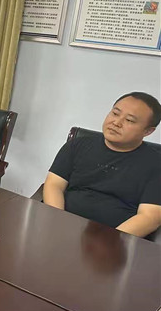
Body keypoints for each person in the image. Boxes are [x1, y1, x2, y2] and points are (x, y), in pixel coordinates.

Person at [43, 92, 161, 238]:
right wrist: (58, 221)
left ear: (148, 131)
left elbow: (150, 217)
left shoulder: (156, 164)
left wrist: (110, 240)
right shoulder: (78, 145)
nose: (116, 122)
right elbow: (54, 184)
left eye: (129, 120)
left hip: (115, 239)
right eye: (115, 113)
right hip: (62, 226)